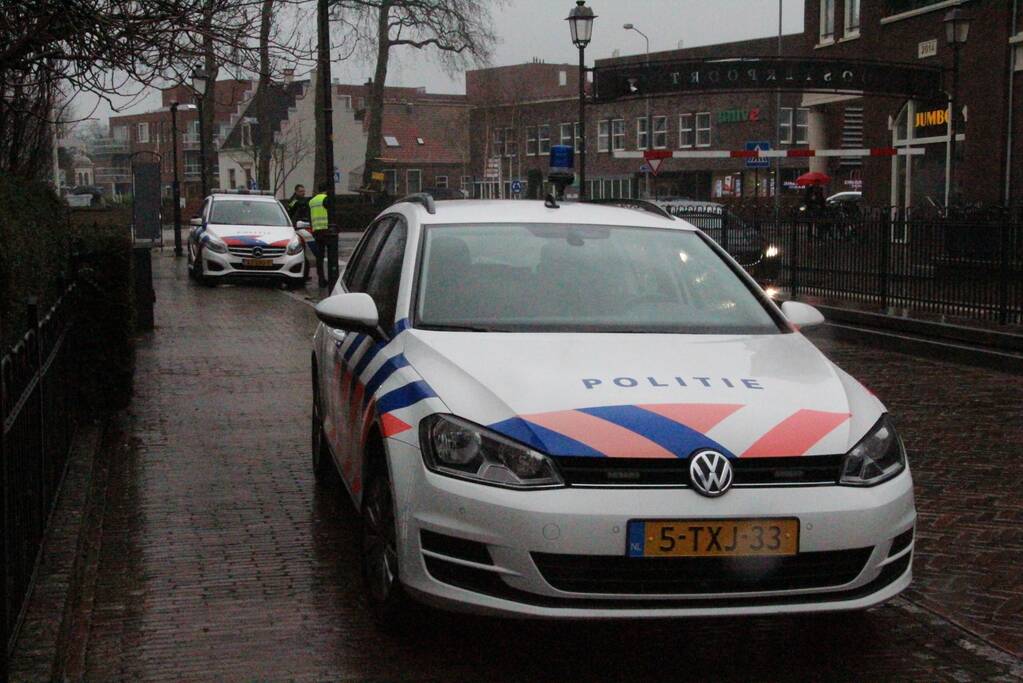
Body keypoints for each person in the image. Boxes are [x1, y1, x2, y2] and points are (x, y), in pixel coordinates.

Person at [307, 182, 333, 287]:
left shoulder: (312, 201)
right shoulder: (326, 199)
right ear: (326, 190)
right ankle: (332, 278)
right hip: (327, 230)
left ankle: (321, 279)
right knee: (331, 255)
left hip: (316, 231)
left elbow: (310, 216)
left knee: (319, 257)